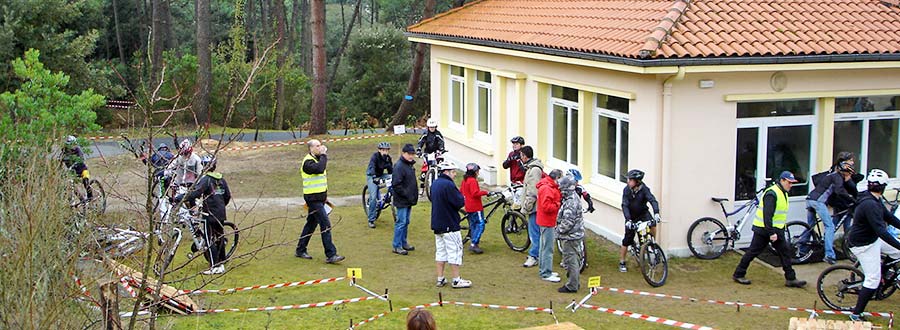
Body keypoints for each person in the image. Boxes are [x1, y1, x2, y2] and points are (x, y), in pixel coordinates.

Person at [732, 171, 807, 288]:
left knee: (785, 252)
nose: (790, 185)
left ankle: (791, 278)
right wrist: (771, 233)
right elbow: (768, 215)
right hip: (764, 230)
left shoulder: (783, 193)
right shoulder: (772, 194)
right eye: (789, 182)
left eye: (792, 183)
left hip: (776, 230)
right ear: (782, 180)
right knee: (752, 252)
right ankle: (738, 274)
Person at [846, 169, 900, 322]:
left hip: (873, 239)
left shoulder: (874, 199)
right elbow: (882, 231)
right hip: (863, 245)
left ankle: (883, 275)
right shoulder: (870, 204)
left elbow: (889, 217)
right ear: (883, 187)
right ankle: (856, 314)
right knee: (872, 279)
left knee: (896, 252)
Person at [174, 156, 232, 275]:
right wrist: (221, 205)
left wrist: (179, 198)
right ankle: (222, 260)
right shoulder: (221, 179)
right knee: (219, 236)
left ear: (204, 166)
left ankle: (214, 266)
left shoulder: (206, 179)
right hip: (220, 213)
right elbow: (227, 196)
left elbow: (195, 193)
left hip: (209, 214)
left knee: (209, 239)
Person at [295, 139, 345, 264]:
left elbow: (320, 179)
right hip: (313, 199)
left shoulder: (317, 160)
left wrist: (324, 197)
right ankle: (331, 254)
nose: (320, 148)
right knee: (325, 224)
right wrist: (324, 154)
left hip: (319, 198)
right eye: (317, 146)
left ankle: (300, 249)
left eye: (320, 145)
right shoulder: (308, 162)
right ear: (311, 148)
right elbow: (320, 169)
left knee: (311, 225)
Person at [430, 160, 471, 289]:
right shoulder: (448, 185)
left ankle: (440, 278)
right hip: (450, 224)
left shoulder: (435, 184)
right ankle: (456, 279)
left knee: (441, 252)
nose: (454, 175)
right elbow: (459, 202)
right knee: (455, 251)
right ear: (446, 172)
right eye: (453, 172)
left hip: (437, 224)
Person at [805, 160, 854, 264]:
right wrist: (852, 200)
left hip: (810, 199)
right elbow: (840, 191)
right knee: (830, 226)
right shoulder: (837, 177)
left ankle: (802, 247)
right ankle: (829, 255)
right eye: (848, 172)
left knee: (811, 226)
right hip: (817, 202)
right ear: (844, 171)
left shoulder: (831, 175)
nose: (849, 175)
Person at [618, 169, 660, 273]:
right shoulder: (626, 190)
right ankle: (622, 261)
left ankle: (653, 245)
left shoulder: (644, 189)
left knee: (653, 224)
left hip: (643, 214)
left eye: (630, 180)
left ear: (637, 182)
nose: (628, 181)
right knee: (627, 238)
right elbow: (625, 205)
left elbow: (652, 200)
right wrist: (628, 220)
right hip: (631, 216)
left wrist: (656, 213)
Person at [556, 174, 584, 293]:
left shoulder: (570, 202)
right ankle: (574, 282)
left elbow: (568, 222)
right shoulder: (573, 198)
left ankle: (572, 285)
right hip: (575, 235)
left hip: (571, 236)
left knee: (571, 260)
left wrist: (557, 231)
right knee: (574, 260)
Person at [519, 146, 544, 267]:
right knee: (535, 232)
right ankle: (538, 254)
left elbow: (533, 191)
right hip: (535, 206)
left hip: (535, 207)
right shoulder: (532, 168)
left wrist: (526, 206)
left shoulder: (534, 170)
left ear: (525, 156)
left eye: (521, 156)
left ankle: (534, 256)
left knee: (534, 232)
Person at [391, 144, 419, 255]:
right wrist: (407, 194)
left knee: (406, 222)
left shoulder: (409, 165)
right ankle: (396, 245)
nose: (411, 156)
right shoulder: (399, 166)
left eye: (412, 154)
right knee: (401, 222)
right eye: (409, 154)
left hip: (408, 200)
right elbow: (396, 185)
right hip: (402, 200)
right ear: (404, 153)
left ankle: (403, 242)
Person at [537, 169, 563, 283]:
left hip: (545, 220)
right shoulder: (547, 188)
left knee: (544, 246)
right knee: (548, 248)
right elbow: (547, 207)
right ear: (556, 178)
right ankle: (546, 273)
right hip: (547, 221)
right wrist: (558, 204)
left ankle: (544, 269)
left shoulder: (547, 186)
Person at [460, 163, 490, 254]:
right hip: (476, 207)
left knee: (473, 225)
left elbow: (461, 191)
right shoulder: (473, 181)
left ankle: (473, 240)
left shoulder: (465, 180)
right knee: (481, 224)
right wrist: (486, 192)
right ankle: (474, 243)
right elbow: (475, 193)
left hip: (468, 206)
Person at [366, 142, 394, 228]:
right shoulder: (375, 157)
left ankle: (389, 196)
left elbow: (391, 170)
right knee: (373, 197)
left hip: (381, 175)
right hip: (372, 175)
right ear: (379, 150)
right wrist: (374, 177)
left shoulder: (388, 158)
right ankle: (371, 219)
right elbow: (372, 167)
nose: (385, 152)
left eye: (386, 150)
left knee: (394, 177)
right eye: (383, 150)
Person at [417, 118, 446, 191]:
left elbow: (441, 142)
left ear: (435, 127)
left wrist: (441, 149)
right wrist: (419, 149)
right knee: (425, 168)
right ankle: (422, 186)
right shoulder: (425, 134)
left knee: (440, 166)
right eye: (430, 127)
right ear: (428, 127)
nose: (432, 129)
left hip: (437, 152)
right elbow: (421, 142)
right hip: (428, 152)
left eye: (433, 127)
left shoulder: (438, 134)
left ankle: (441, 181)